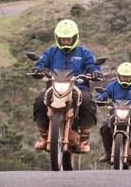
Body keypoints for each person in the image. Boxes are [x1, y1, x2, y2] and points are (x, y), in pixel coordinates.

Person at [31, 19, 103, 152]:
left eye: (68, 39)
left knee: (87, 103)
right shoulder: (51, 52)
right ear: (57, 38)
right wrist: (37, 69)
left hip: (78, 87)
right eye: (63, 39)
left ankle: (84, 137)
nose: (65, 42)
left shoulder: (83, 53)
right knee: (40, 102)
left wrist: (96, 72)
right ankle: (44, 135)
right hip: (54, 86)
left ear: (75, 38)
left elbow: (92, 65)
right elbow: (41, 62)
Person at [96, 62, 131, 165]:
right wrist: (101, 98)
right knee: (105, 128)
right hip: (115, 114)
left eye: (127, 77)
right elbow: (105, 93)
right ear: (118, 76)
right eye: (123, 77)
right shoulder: (112, 86)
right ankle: (108, 153)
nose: (125, 79)